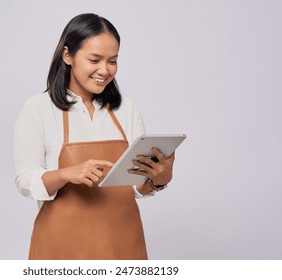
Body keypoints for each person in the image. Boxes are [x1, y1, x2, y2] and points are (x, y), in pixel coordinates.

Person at [14, 13, 175, 260]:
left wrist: (159, 179)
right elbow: (25, 182)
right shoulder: (38, 108)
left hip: (122, 243)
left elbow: (135, 186)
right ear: (67, 55)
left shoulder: (127, 109)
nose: (105, 70)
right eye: (94, 59)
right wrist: (66, 173)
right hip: (62, 248)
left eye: (113, 61)